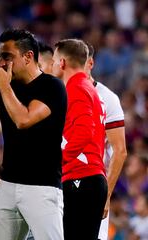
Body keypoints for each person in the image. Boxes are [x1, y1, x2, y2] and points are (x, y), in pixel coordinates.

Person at [0, 29, 67, 240]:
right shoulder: (10, 86)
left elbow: (24, 120)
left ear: (28, 56)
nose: (2, 62)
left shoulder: (51, 87)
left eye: (7, 56)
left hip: (41, 187)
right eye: (0, 56)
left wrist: (4, 88)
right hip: (8, 184)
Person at [51, 39, 107, 240]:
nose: (52, 65)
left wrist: (57, 160)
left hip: (81, 178)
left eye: (55, 60)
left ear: (63, 63)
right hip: (90, 178)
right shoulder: (89, 88)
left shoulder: (75, 89)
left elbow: (84, 132)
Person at [84, 43, 127, 240]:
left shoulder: (106, 97)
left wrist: (105, 195)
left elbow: (120, 151)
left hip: (92, 186)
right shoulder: (59, 93)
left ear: (90, 63)